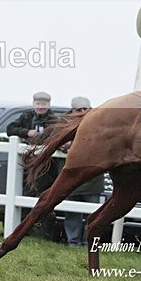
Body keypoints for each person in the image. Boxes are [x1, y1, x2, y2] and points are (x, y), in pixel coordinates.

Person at [7, 91, 60, 240]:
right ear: (33, 104)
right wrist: (26, 132)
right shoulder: (26, 116)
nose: (40, 107)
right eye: (38, 104)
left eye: (44, 104)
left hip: (46, 166)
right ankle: (25, 233)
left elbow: (56, 135)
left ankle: (45, 236)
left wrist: (41, 137)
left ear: (49, 105)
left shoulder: (53, 119)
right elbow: (10, 128)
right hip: (28, 165)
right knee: (25, 196)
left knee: (44, 200)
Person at [60, 96, 104, 246]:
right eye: (79, 109)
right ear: (73, 110)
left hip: (93, 177)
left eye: (86, 109)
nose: (83, 112)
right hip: (70, 176)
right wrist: (62, 144)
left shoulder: (99, 123)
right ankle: (73, 242)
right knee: (71, 213)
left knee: (93, 214)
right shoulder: (63, 125)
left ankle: (88, 242)